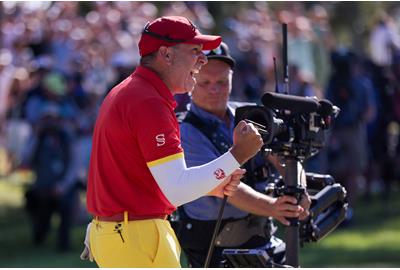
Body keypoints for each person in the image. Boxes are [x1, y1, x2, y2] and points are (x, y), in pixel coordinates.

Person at [82, 16, 263, 268]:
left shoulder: (132, 91)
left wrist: (211, 185)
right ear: (166, 54)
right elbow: (177, 189)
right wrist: (238, 154)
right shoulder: (148, 101)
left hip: (125, 233)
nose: (203, 59)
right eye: (195, 51)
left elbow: (150, 179)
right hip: (135, 235)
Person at [175, 42, 311, 267]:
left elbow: (286, 154)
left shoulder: (250, 114)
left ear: (232, 78)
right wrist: (274, 207)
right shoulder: (184, 132)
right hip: (214, 249)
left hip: (263, 239)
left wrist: (299, 189)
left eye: (221, 82)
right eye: (205, 83)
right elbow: (225, 185)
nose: (214, 90)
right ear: (190, 82)